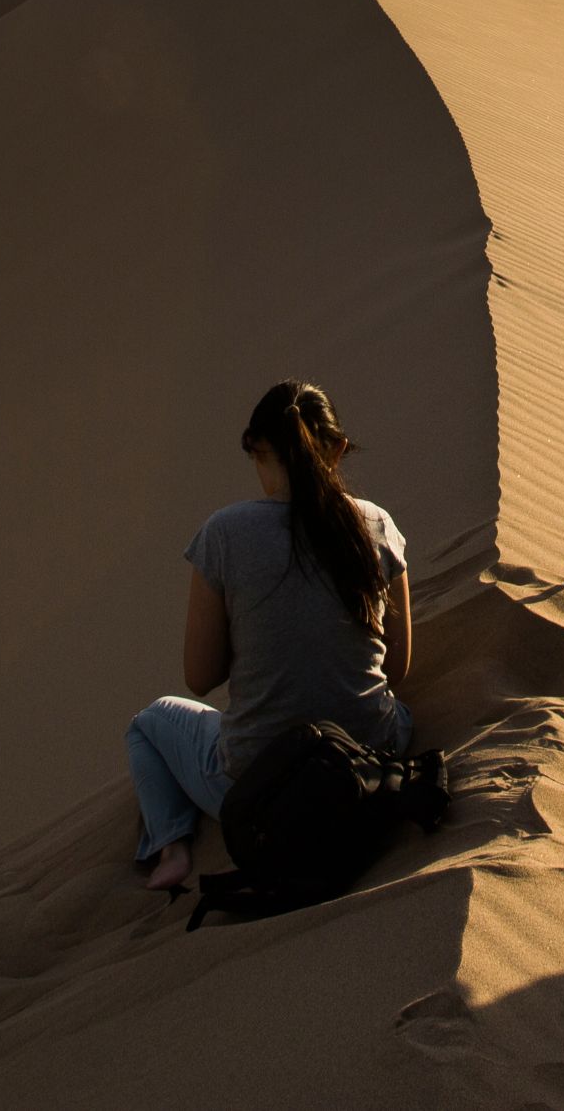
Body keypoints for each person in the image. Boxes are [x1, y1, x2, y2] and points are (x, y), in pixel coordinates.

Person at [126, 380, 416, 893]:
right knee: (393, 707)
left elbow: (199, 678)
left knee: (150, 722)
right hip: (369, 757)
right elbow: (397, 669)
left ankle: (171, 845)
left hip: (260, 786)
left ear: (260, 452)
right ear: (338, 449)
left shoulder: (224, 533)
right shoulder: (377, 525)